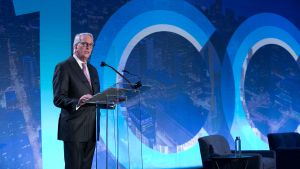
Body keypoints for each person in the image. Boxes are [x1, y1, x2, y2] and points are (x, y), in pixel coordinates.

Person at [53, 32, 99, 169]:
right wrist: (77, 102)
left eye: (90, 45)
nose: (88, 47)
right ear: (75, 47)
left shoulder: (93, 70)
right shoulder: (64, 67)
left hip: (91, 128)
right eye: (84, 44)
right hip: (74, 128)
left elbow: (95, 96)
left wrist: (110, 100)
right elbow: (58, 98)